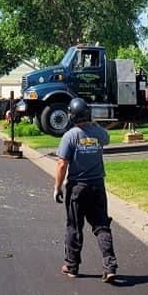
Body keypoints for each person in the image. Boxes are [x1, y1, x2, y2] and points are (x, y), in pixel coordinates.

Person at [53, 97, 118, 282]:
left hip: (77, 188)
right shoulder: (98, 133)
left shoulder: (70, 136)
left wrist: (57, 187)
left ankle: (72, 266)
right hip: (97, 186)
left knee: (74, 226)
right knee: (101, 225)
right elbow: (107, 140)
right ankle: (110, 265)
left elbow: (61, 164)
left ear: (71, 115)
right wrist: (94, 124)